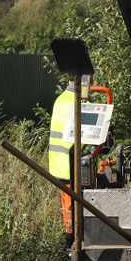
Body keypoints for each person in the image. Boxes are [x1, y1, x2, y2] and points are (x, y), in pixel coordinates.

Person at [48, 79, 76, 241]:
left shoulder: (61, 99)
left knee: (68, 212)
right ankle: (72, 245)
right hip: (72, 166)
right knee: (75, 213)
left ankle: (69, 242)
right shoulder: (78, 101)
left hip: (59, 164)